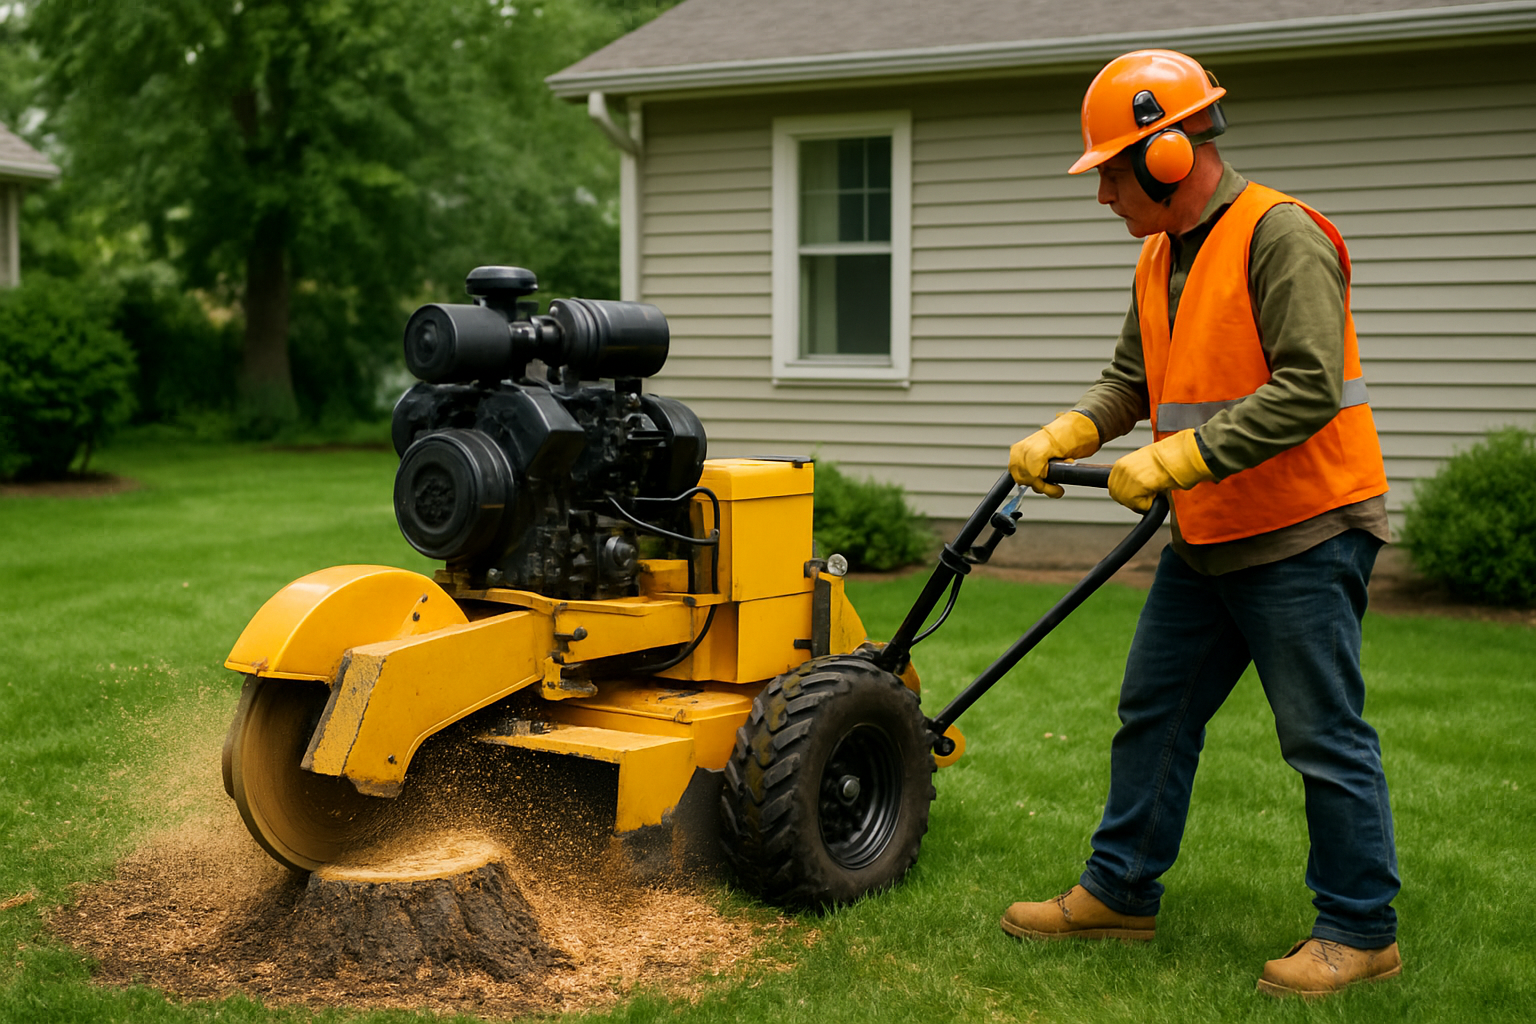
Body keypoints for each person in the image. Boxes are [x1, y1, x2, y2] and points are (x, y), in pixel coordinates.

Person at [1002, 49, 1401, 999]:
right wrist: (1071, 429)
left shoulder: (1281, 235)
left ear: (1167, 155)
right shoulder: (1158, 253)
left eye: (1108, 172)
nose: (1102, 195)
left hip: (1305, 528)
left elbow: (1307, 384)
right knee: (1155, 713)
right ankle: (1119, 893)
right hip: (1210, 530)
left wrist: (1178, 459)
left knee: (1321, 734)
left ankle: (1360, 931)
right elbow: (1132, 379)